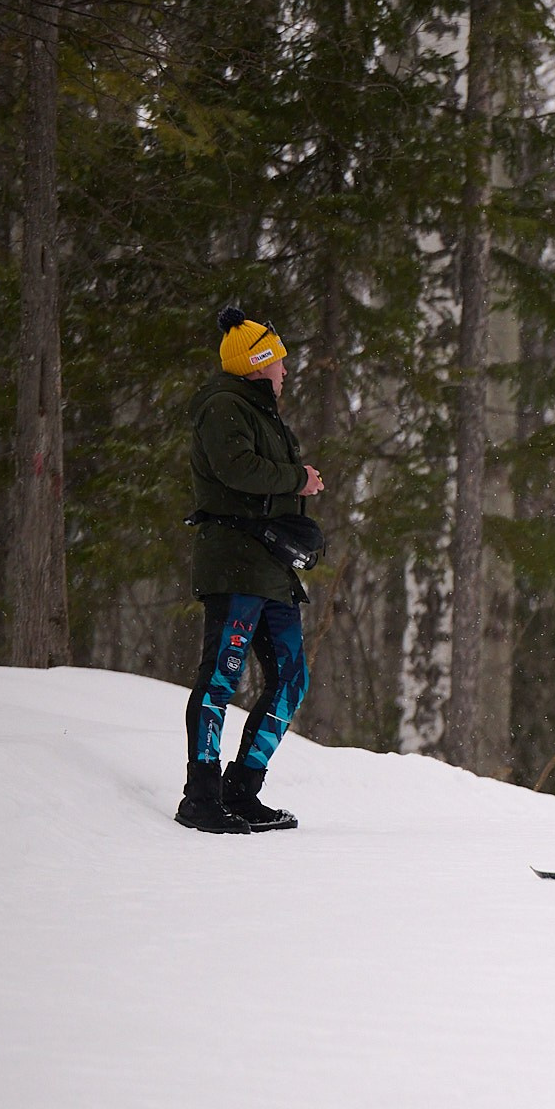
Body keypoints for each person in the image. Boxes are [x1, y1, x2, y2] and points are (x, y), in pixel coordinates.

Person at [179, 307, 322, 834]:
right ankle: (201, 796)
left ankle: (243, 789)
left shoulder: (259, 409)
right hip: (235, 567)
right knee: (221, 677)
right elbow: (236, 470)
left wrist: (296, 526)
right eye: (279, 361)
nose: (286, 370)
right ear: (259, 363)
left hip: (270, 571)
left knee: (291, 678)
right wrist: (297, 480)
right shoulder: (223, 407)